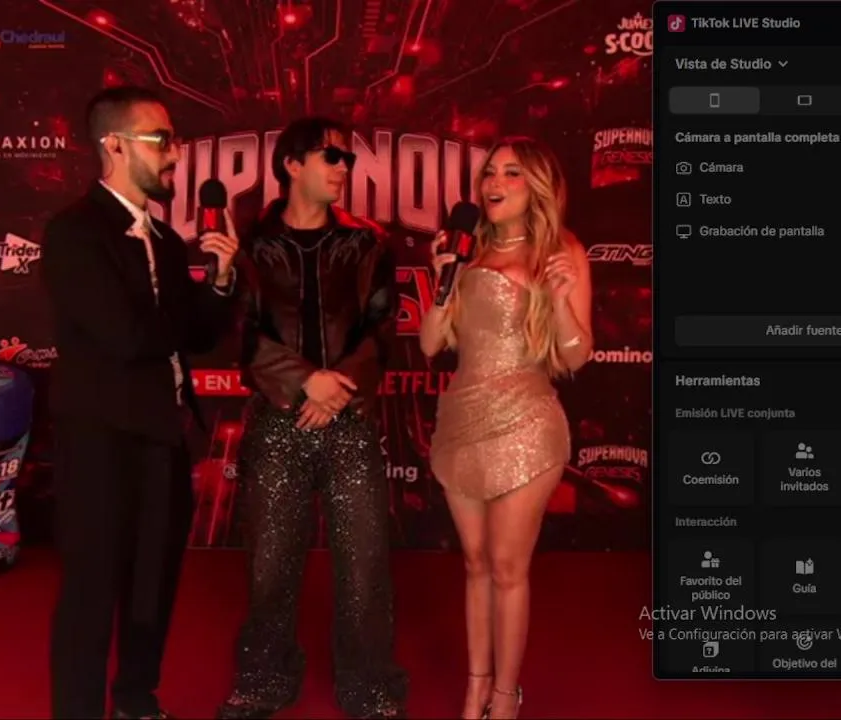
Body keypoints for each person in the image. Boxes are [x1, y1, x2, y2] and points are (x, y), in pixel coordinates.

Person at [43, 85, 240, 719]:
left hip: (163, 434)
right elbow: (125, 336)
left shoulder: (168, 242)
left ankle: (136, 700)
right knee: (92, 591)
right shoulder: (74, 233)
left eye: (174, 142)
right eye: (162, 141)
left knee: (154, 584)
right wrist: (177, 317)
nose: (176, 155)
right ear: (116, 146)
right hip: (99, 439)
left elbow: (199, 335)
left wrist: (221, 282)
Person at [218, 116, 407, 719]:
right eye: (331, 156)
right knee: (270, 564)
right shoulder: (251, 246)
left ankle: (370, 686)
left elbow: (384, 327)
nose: (343, 167)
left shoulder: (370, 243)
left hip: (350, 418)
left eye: (347, 158)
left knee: (365, 566)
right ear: (292, 164)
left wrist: (335, 390)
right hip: (278, 420)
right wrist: (306, 382)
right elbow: (242, 334)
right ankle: (264, 679)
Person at [420, 136, 593, 719]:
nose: (494, 182)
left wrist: (560, 300)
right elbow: (430, 344)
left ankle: (504, 696)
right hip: (462, 423)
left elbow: (576, 355)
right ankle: (476, 687)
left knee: (507, 567)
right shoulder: (464, 249)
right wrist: (442, 282)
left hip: (526, 426)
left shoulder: (562, 251)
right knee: (474, 564)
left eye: (511, 173)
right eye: (490, 172)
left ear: (536, 185)